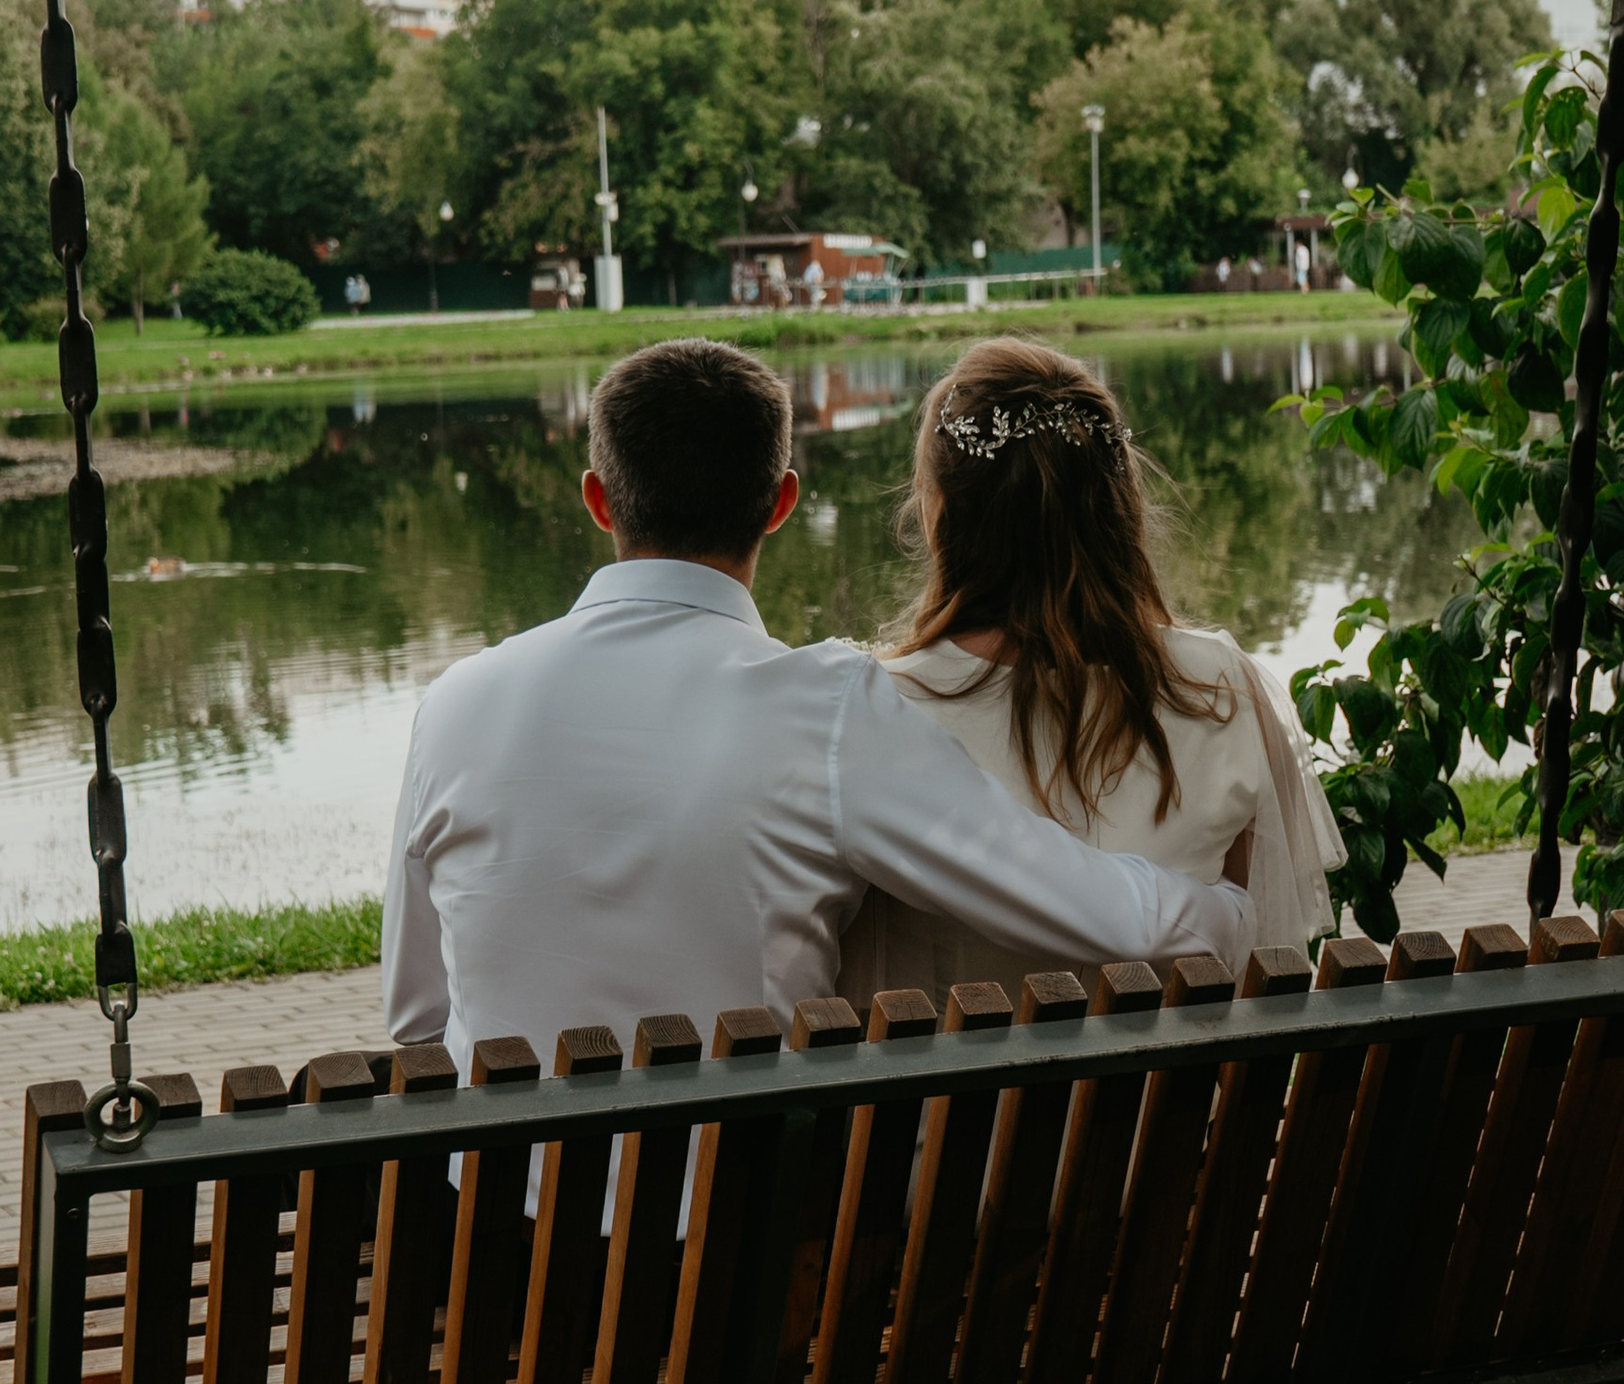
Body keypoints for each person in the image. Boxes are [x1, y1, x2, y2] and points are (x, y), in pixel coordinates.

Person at [382, 336, 1256, 1074]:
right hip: (738, 1245)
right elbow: (1083, 905)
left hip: (496, 1242)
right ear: (781, 503)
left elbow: (418, 1017)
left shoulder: (454, 704)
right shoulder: (826, 713)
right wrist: (1232, 914)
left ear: (599, 498)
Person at [835, 339, 1339, 1014]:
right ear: (1120, 504)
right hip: (1180, 1117)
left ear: (936, 513)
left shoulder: (874, 710)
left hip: (964, 1121)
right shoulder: (1221, 686)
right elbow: (1255, 969)